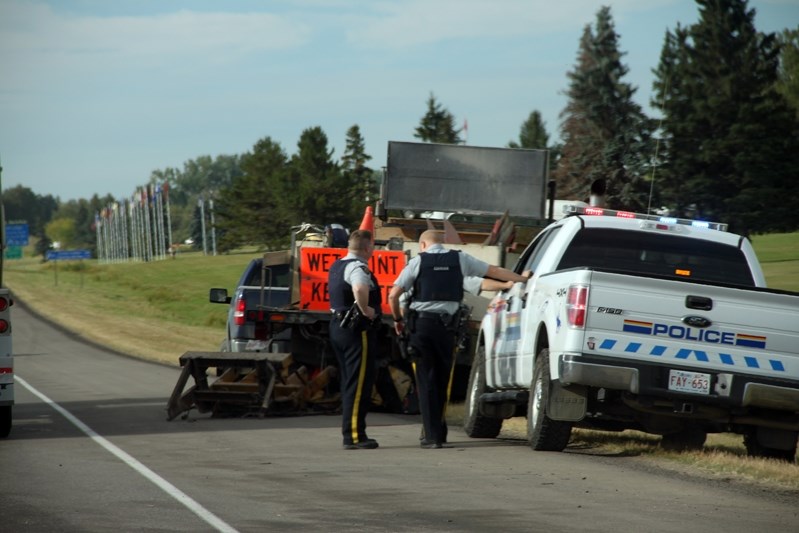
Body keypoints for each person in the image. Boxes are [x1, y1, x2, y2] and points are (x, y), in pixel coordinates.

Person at [388, 230, 529, 449]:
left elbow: (393, 294)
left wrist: (398, 319)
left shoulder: (417, 262)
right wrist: (521, 279)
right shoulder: (459, 259)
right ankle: (438, 432)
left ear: (423, 244)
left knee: (426, 381)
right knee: (443, 380)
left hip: (421, 327)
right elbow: (492, 271)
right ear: (441, 243)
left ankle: (432, 436)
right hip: (447, 328)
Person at [328, 229, 382, 450]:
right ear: (368, 248)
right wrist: (366, 309)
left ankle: (354, 432)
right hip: (355, 328)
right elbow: (359, 287)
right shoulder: (358, 267)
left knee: (350, 381)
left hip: (339, 326)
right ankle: (354, 436)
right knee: (359, 383)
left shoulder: (337, 265)